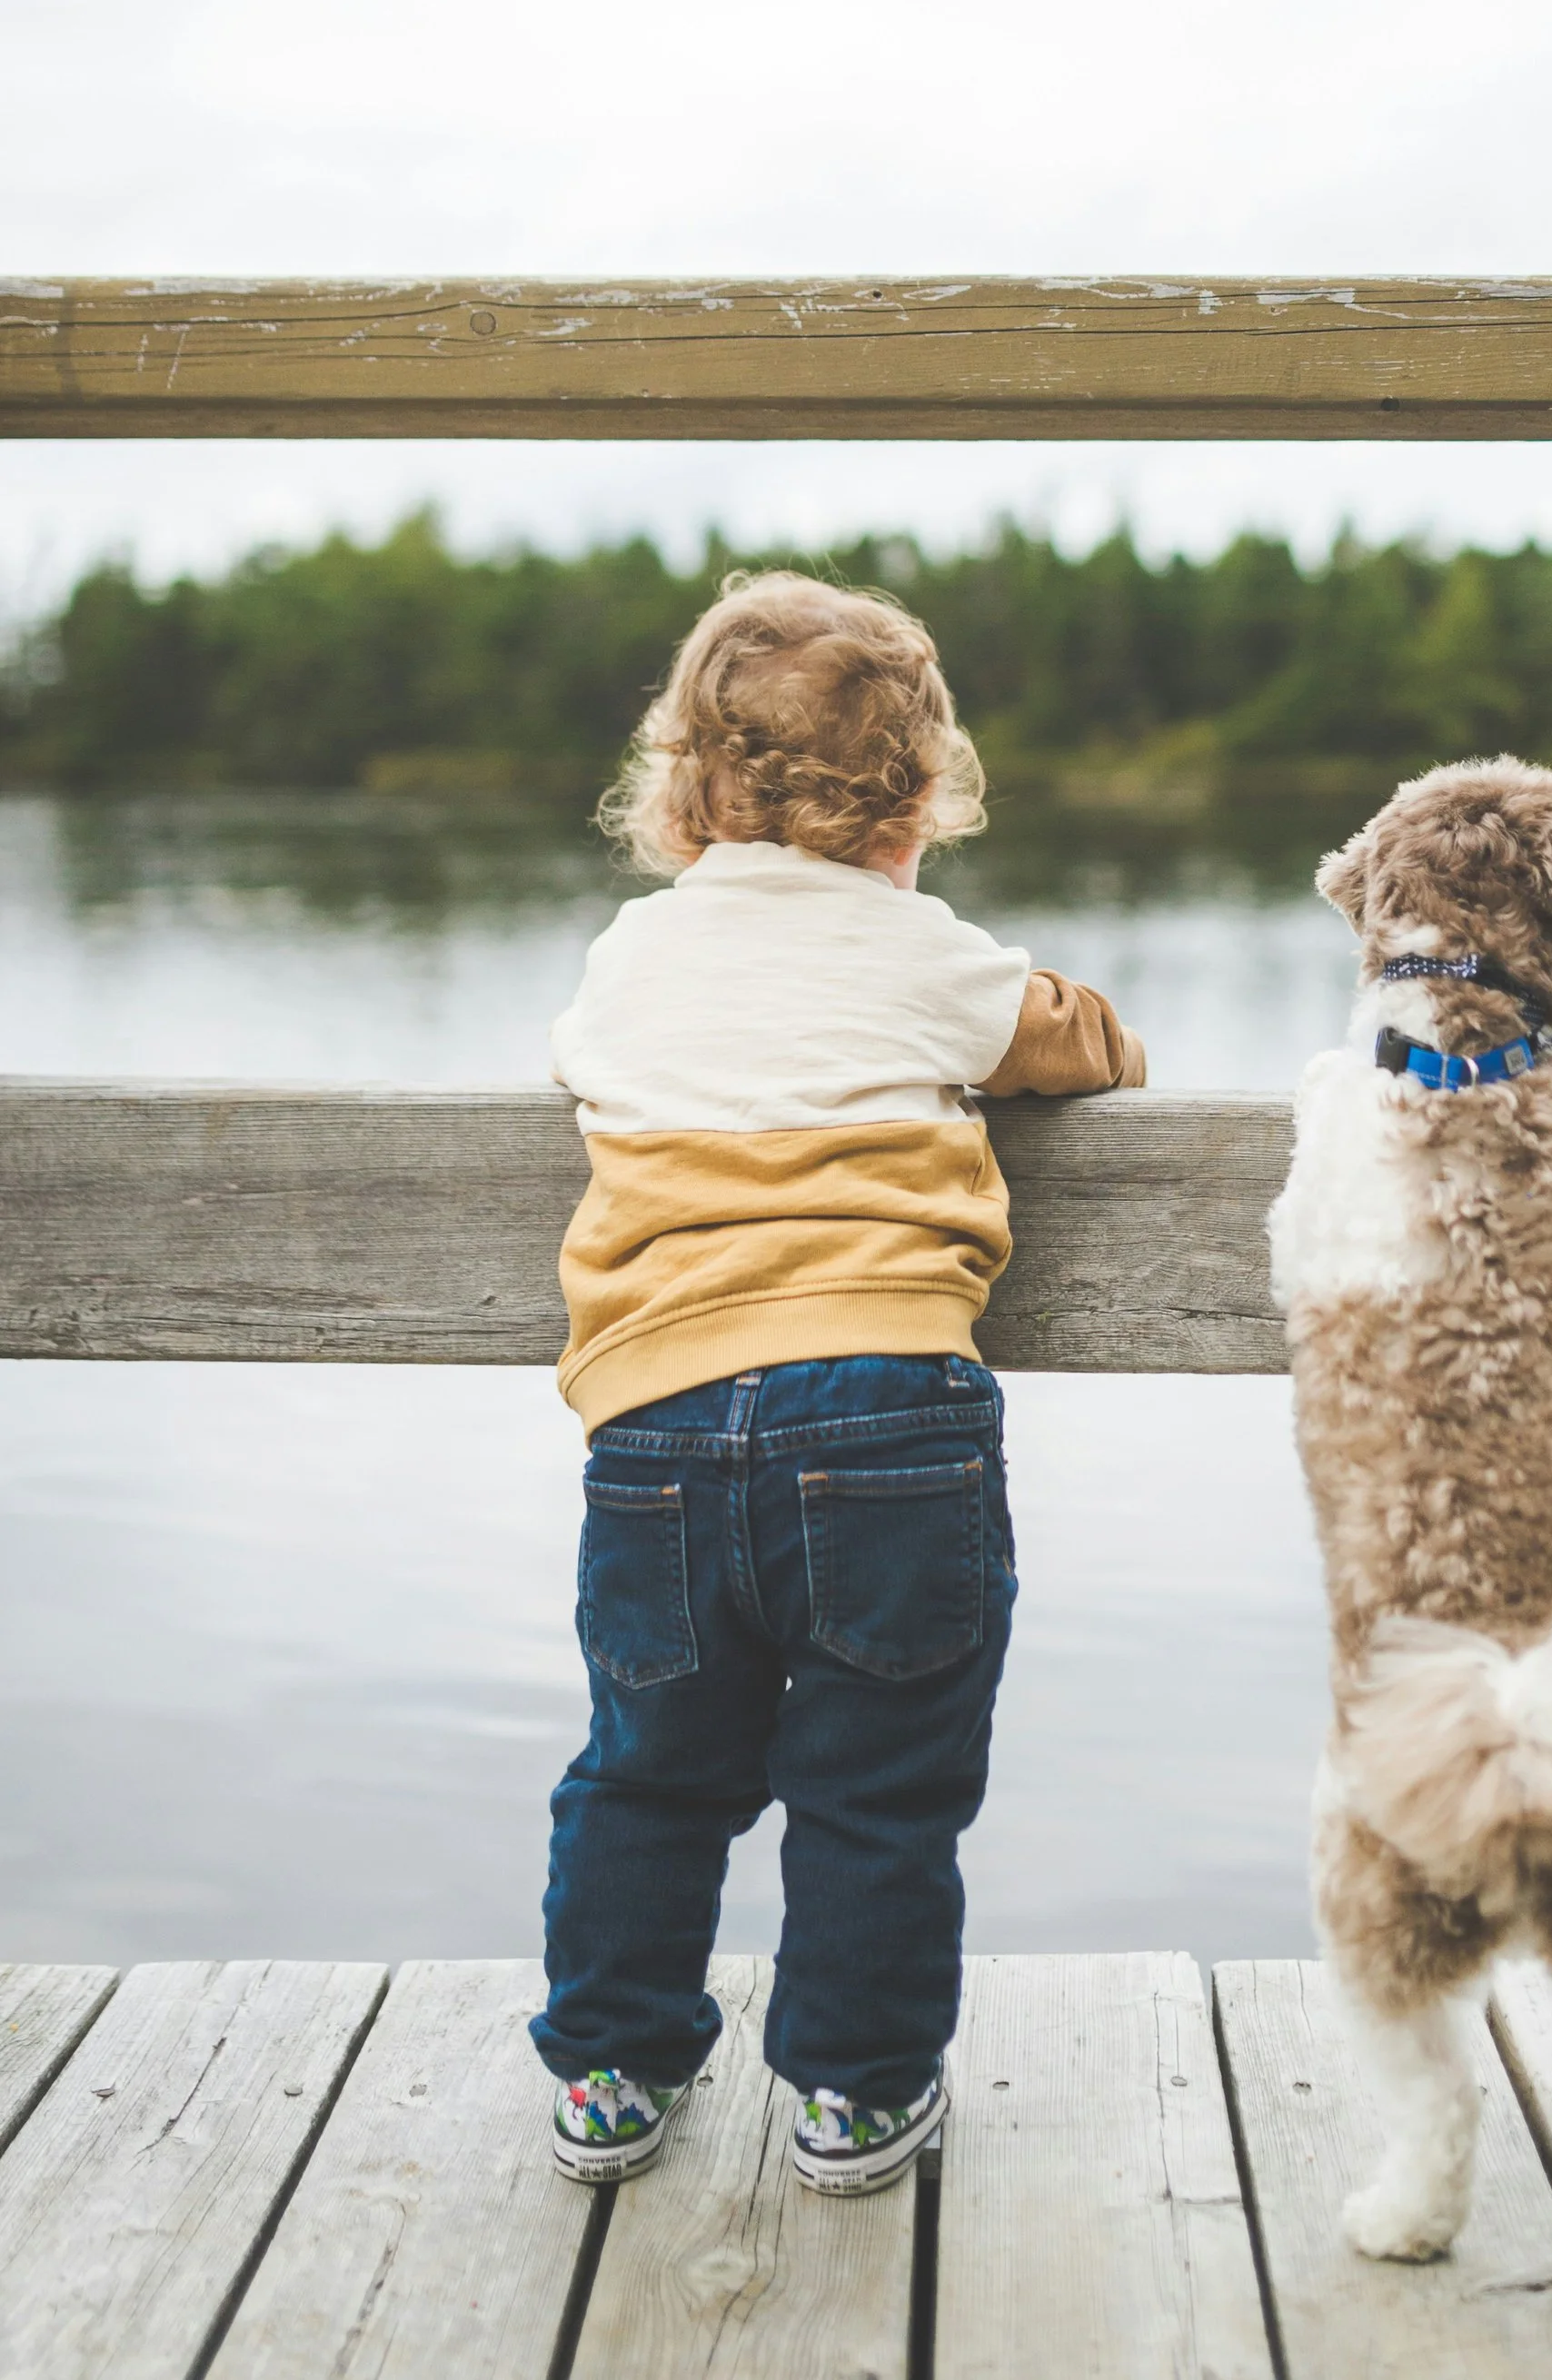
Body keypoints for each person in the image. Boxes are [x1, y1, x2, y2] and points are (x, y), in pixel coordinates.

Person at [530, 569, 1143, 2194]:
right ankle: (858, 2098)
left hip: (655, 1426)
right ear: (922, 797)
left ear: (681, 795)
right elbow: (1083, 1047)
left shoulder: (630, 959)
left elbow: (580, 1061)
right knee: (880, 1790)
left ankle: (608, 2073)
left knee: (649, 1771)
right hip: (885, 1415)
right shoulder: (925, 953)